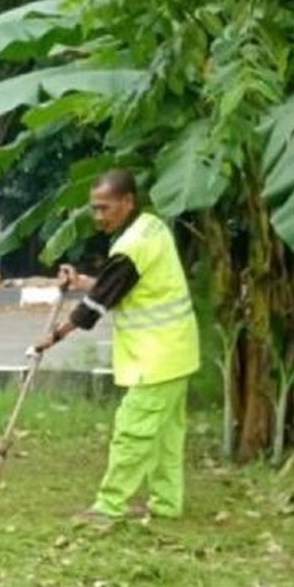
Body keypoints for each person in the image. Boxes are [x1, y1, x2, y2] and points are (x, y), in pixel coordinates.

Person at [32, 168, 200, 523]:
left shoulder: (131, 246)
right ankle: (167, 504)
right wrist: (81, 281)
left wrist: (55, 336)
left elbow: (95, 306)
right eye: (94, 208)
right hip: (178, 353)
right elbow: (120, 285)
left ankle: (109, 506)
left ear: (127, 201)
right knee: (165, 438)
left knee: (132, 432)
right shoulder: (151, 227)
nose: (98, 216)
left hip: (157, 358)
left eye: (105, 208)